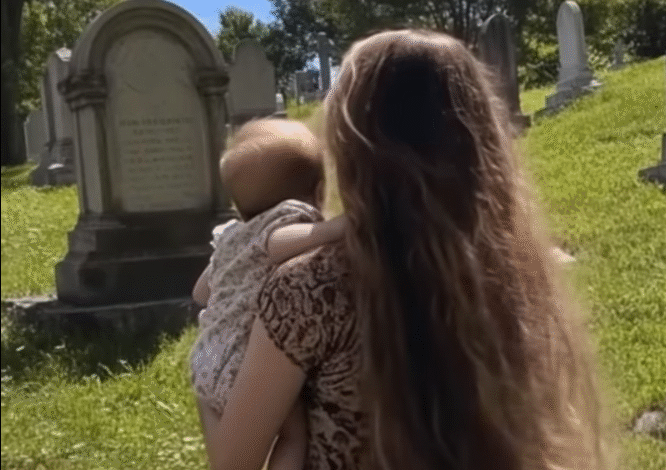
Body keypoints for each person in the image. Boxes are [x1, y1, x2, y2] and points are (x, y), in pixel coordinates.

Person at [204, 30, 608, 470]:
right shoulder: (515, 268)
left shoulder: (308, 291)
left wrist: (204, 378)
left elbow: (233, 463)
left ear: (355, 149)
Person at [189, 118, 345, 470]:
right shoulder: (288, 219)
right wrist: (337, 227)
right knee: (293, 436)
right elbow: (274, 244)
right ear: (320, 191)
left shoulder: (231, 237)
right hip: (240, 359)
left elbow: (200, 292)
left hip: (207, 355)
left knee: (230, 451)